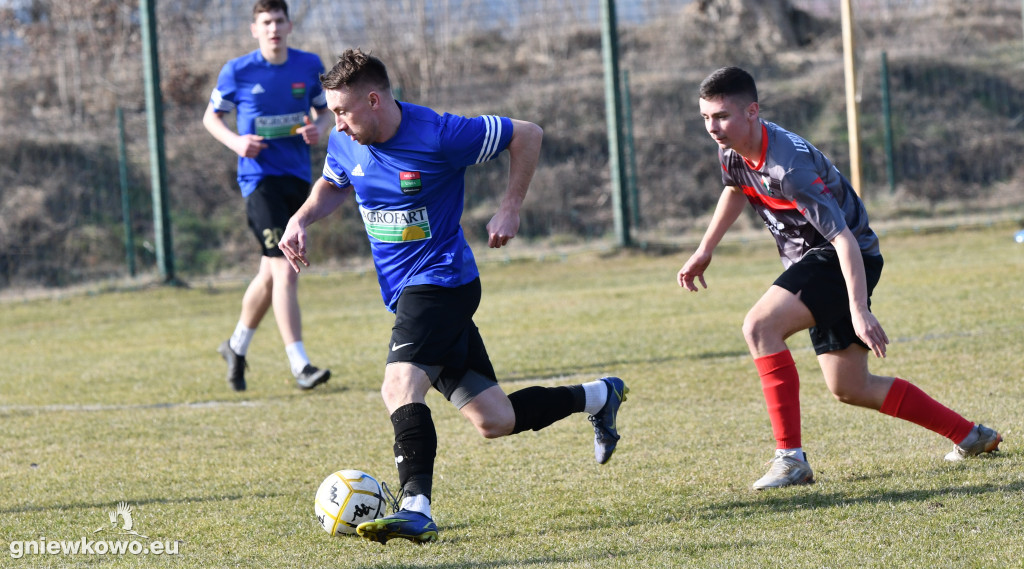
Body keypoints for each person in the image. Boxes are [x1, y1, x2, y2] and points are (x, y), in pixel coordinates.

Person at [279, 49, 628, 544]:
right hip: (405, 294)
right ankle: (599, 395)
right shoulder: (345, 140)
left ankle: (416, 508)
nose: (334, 121)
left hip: (442, 282)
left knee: (399, 386)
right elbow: (336, 183)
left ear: (374, 100)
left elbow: (527, 134)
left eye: (341, 110)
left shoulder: (440, 134)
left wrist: (510, 207)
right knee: (495, 419)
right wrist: (300, 218)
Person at [678, 66, 1002, 490]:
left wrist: (859, 308)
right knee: (850, 386)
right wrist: (705, 249)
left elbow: (844, 239)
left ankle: (790, 459)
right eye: (705, 118)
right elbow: (736, 188)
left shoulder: (788, 167)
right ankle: (969, 435)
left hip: (841, 257)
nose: (712, 127)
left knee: (760, 326)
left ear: (752, 111)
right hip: (817, 261)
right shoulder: (734, 150)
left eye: (720, 116)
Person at [203, 0, 332, 392]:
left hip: (297, 178)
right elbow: (211, 117)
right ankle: (301, 365)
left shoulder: (308, 65)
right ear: (254, 29)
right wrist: (237, 143)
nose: (273, 28)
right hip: (259, 181)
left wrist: (320, 129)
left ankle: (236, 346)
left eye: (279, 20)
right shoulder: (238, 71)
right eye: (266, 22)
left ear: (290, 25)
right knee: (285, 268)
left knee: (268, 270)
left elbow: (326, 111)